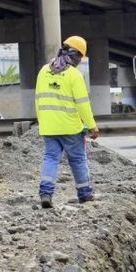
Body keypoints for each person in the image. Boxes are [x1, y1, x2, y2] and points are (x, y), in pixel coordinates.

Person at [35, 36, 99, 208]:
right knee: (78, 160)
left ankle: (46, 193)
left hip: (49, 127)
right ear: (77, 55)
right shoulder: (74, 75)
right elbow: (83, 104)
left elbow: (38, 101)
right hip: (70, 128)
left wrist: (43, 122)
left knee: (50, 159)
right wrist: (92, 126)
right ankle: (85, 194)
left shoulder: (43, 71)